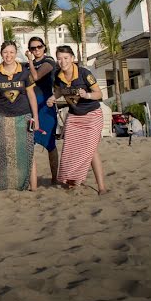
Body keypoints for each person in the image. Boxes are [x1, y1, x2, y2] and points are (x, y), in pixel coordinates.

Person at [48, 45, 107, 194]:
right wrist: (52, 98)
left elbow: (98, 94)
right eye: (59, 58)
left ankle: (101, 187)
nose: (63, 61)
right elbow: (59, 91)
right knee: (70, 150)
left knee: (91, 150)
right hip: (74, 116)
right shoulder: (58, 76)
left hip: (92, 115)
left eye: (66, 58)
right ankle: (72, 182)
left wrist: (87, 95)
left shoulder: (84, 73)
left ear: (72, 58)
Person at [0, 41, 39, 191]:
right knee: (3, 152)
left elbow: (31, 96)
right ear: (1, 54)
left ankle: (33, 186)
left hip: (23, 116)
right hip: (1, 116)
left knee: (27, 150)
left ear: (16, 53)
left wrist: (35, 117)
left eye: (11, 52)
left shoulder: (24, 72)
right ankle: (4, 185)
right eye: (5, 52)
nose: (8, 55)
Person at [25, 36, 59, 184]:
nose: (36, 50)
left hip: (46, 105)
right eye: (33, 48)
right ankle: (30, 179)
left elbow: (36, 76)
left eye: (39, 47)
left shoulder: (49, 61)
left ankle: (55, 178)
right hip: (30, 105)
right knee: (29, 143)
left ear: (44, 47)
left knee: (50, 143)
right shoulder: (26, 65)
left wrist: (30, 61)